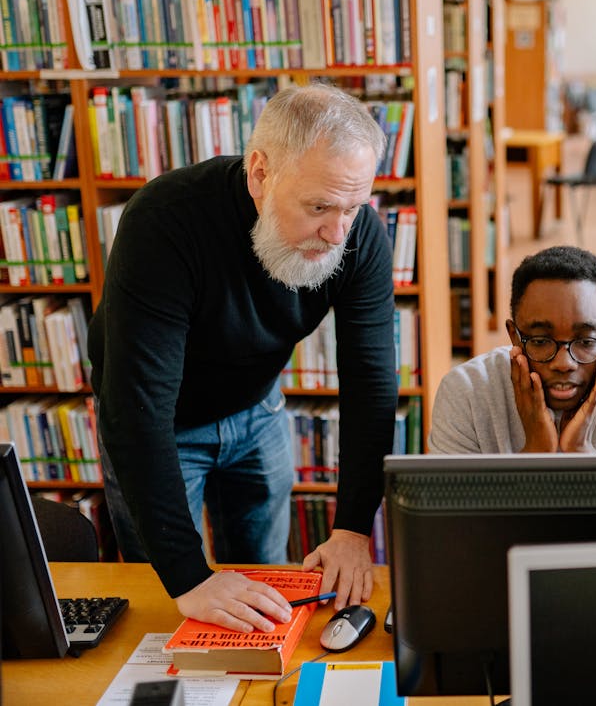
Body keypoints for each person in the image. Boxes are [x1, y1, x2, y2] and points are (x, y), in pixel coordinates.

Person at [88, 83, 397, 631]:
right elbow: (137, 410)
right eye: (319, 206)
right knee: (168, 609)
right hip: (160, 428)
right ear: (259, 174)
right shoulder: (165, 221)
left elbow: (370, 384)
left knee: (265, 589)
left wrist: (352, 527)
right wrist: (189, 578)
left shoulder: (358, 236)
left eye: (353, 207)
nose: (337, 233)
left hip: (258, 410)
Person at [428, 246, 596, 455]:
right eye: (540, 341)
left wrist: (581, 453)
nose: (564, 363)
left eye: (586, 342)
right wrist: (535, 452)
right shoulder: (465, 393)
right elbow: (455, 512)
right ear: (514, 337)